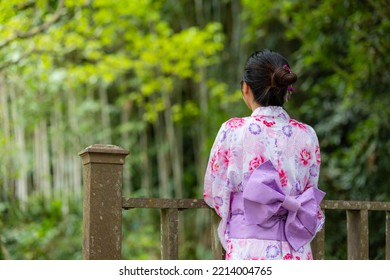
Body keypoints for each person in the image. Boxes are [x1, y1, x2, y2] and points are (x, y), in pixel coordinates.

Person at [203, 50, 325, 260]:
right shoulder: (307, 134)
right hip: (296, 249)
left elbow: (214, 193)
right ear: (286, 90)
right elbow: (310, 191)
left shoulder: (233, 130)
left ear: (246, 88)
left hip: (249, 249)